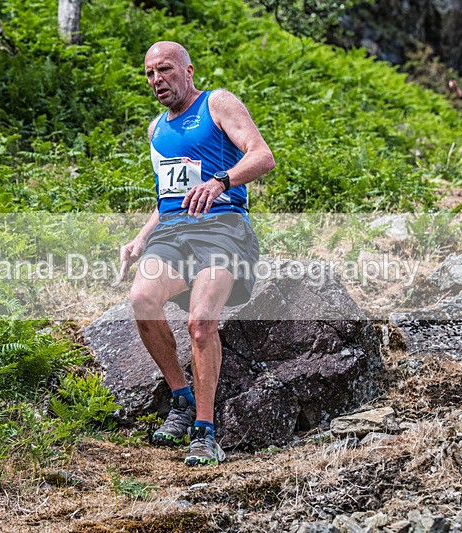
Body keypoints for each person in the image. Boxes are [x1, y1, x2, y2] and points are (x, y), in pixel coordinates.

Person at [118, 41, 275, 466]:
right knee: (142, 300)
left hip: (223, 228)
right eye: (150, 73)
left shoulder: (216, 103)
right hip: (173, 234)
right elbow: (168, 198)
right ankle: (181, 399)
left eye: (165, 69)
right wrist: (140, 238)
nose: (157, 80)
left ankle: (205, 433)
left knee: (201, 322)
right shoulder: (156, 130)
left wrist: (221, 181)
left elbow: (263, 156)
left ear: (188, 71)